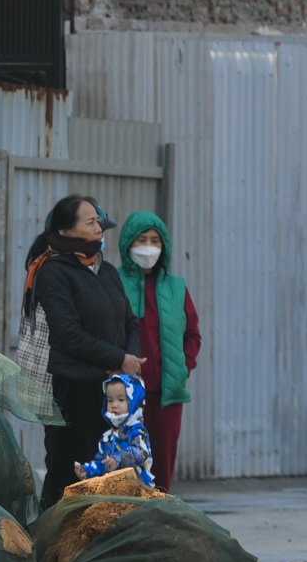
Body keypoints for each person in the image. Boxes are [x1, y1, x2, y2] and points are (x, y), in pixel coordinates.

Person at [25, 195, 141, 507]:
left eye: (97, 221)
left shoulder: (107, 272)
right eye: (89, 222)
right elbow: (67, 334)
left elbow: (130, 321)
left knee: (114, 470)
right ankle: (56, 547)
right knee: (71, 474)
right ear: (65, 232)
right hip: (74, 391)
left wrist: (126, 361)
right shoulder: (54, 273)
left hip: (113, 389)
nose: (98, 227)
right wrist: (117, 359)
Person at [117, 210, 201, 491]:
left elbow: (192, 334)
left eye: (155, 240)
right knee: (124, 465)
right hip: (125, 394)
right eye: (142, 240)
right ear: (128, 243)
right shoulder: (114, 281)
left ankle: (160, 526)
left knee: (161, 466)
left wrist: (183, 367)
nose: (149, 247)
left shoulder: (177, 287)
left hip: (167, 394)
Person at [75, 372, 156, 488]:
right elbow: (102, 463)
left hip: (138, 490)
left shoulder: (137, 430)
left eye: (121, 399)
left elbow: (141, 452)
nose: (114, 405)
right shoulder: (107, 436)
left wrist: (119, 459)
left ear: (134, 402)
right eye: (110, 400)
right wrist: (87, 470)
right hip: (112, 491)